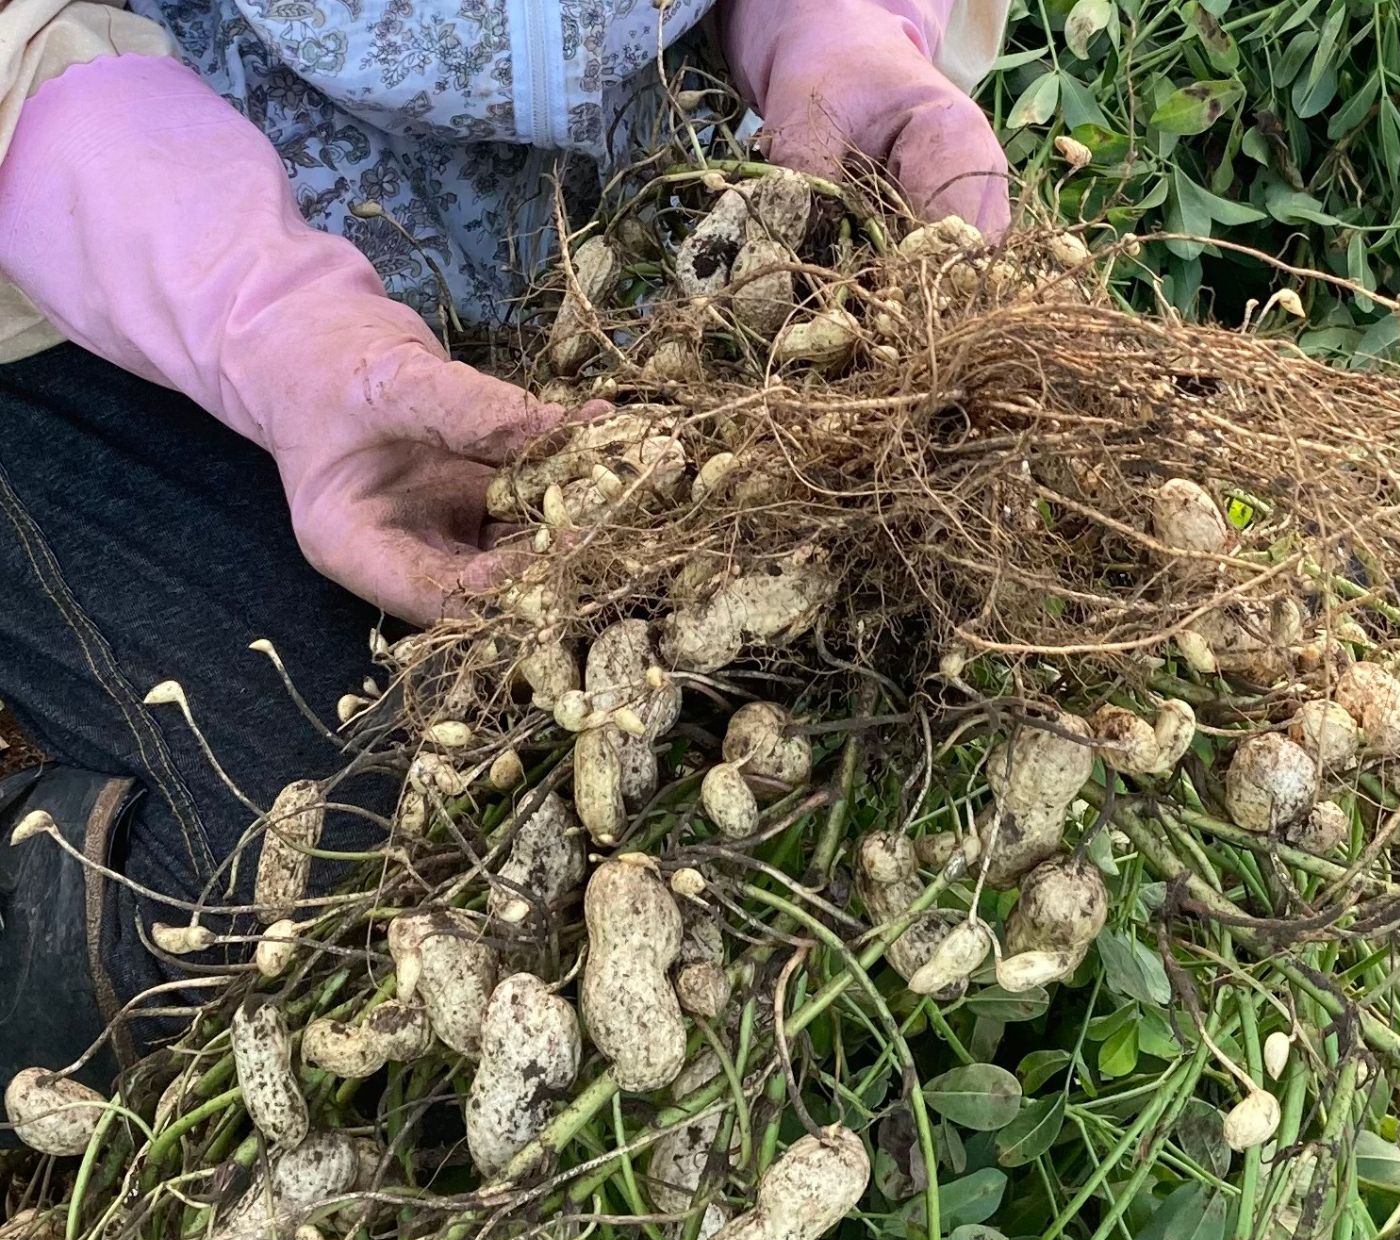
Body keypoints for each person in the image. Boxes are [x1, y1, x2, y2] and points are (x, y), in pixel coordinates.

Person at [0, 0, 1010, 1091]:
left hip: (599, 243)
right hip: (90, 230)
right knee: (298, 881)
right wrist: (270, 323)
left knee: (830, 677)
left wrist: (834, 33)